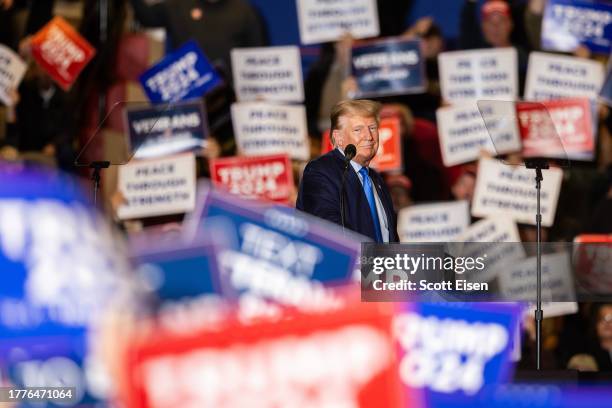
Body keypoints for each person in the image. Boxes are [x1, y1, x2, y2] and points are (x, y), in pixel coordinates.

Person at [296, 99, 398, 242]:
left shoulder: (376, 179)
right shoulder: (320, 172)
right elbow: (328, 234)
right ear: (339, 138)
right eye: (358, 130)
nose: (369, 136)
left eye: (372, 128)